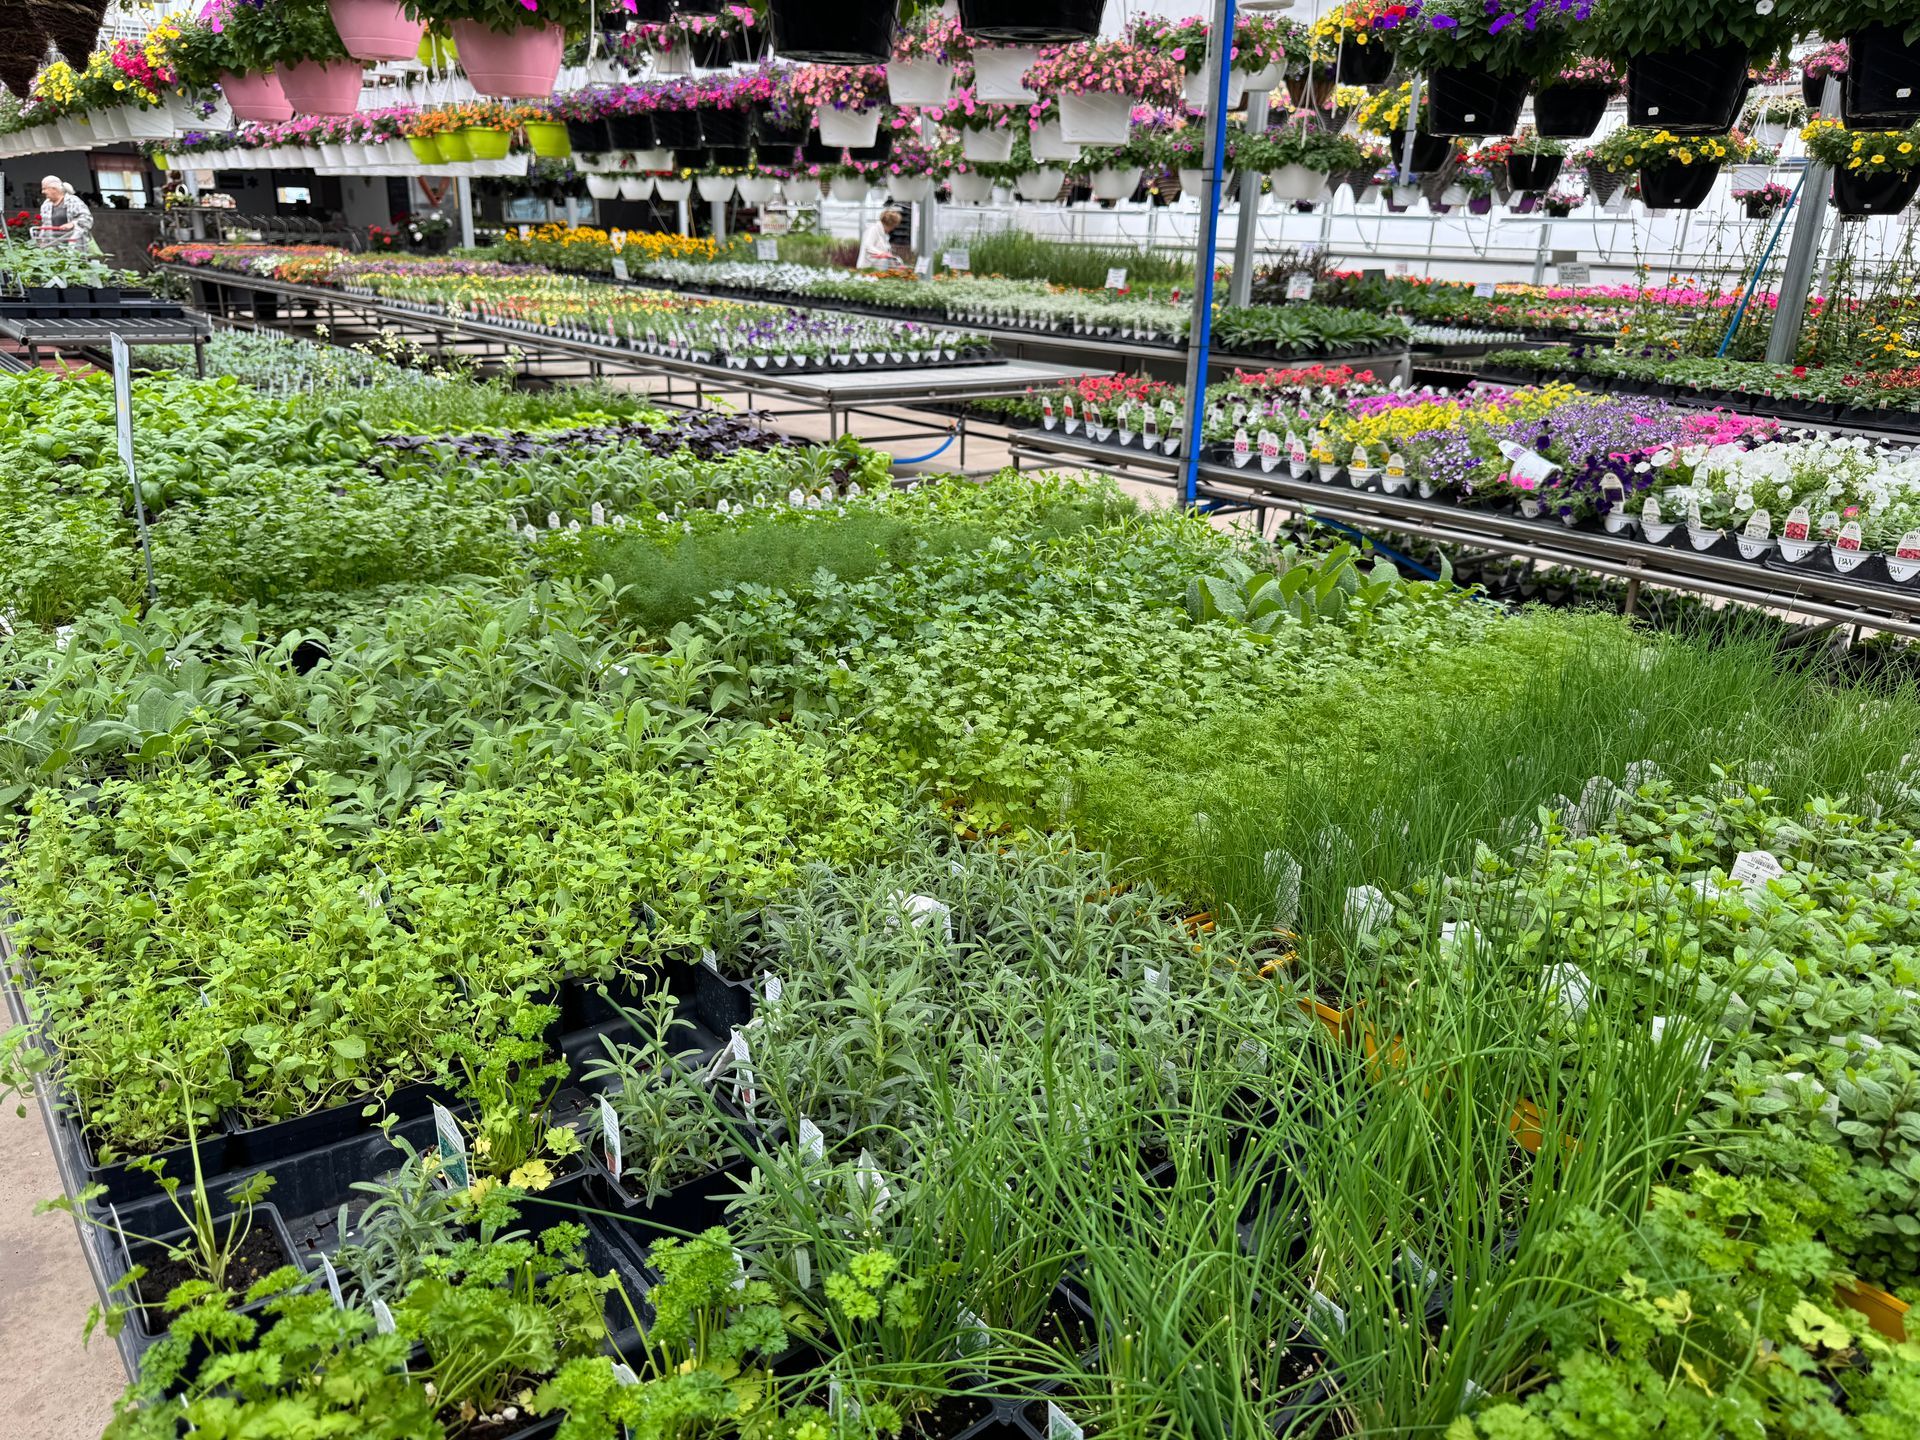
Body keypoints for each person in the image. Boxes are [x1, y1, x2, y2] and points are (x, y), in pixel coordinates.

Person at [36, 176, 93, 249]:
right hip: (53, 246)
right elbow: (45, 225)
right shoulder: (46, 205)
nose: (42, 192)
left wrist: (72, 224)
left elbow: (87, 219)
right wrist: (41, 239)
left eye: (44, 188)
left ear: (54, 189)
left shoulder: (73, 201)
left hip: (74, 245)